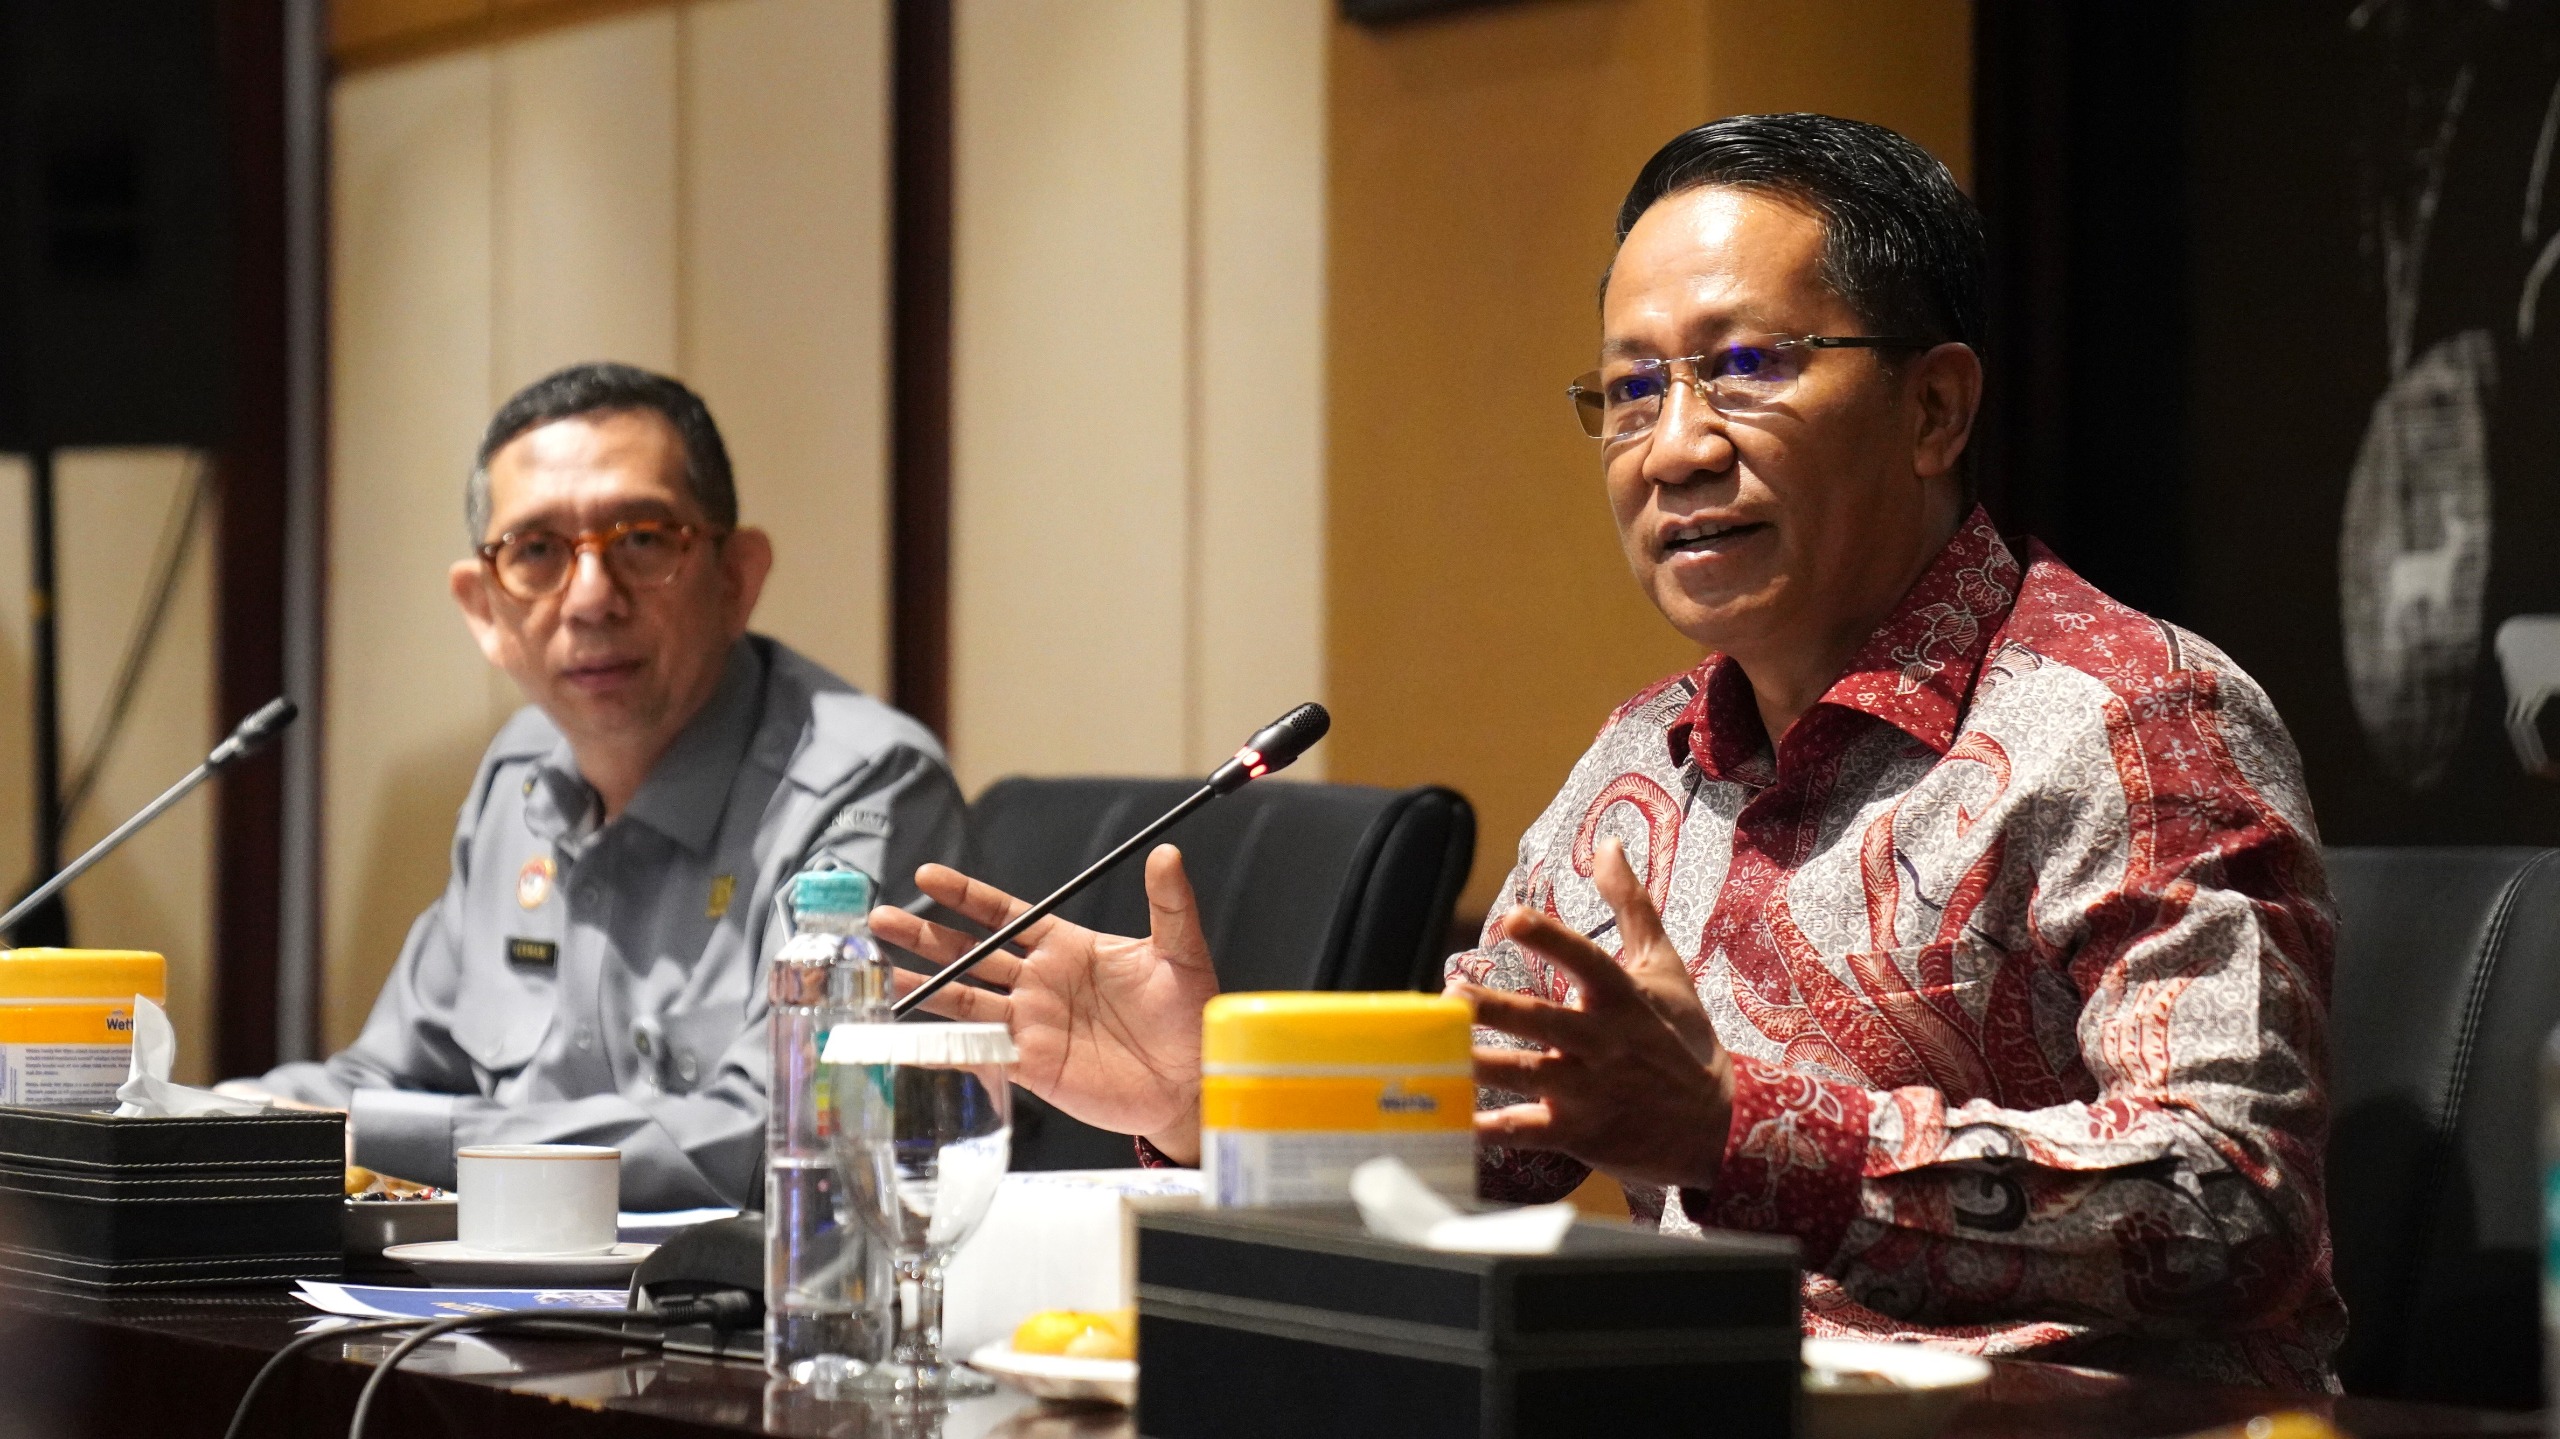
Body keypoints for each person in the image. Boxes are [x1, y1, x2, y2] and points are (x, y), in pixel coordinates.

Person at [873, 115, 2343, 1389]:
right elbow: (1478, 1129)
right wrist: (1217, 1105)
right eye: (1630, 390)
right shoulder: (1650, 756)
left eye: (1748, 365)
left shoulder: (2129, 717)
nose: (1675, 446)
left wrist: (1738, 1131)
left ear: (1934, 407)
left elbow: (2236, 1195)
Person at [233, 362, 964, 1210]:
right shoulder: (518, 775)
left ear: (737, 578)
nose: (590, 598)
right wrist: (207, 1119)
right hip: (491, 1284)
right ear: (484, 610)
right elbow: (387, 1075)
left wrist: (400, 1138)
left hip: (749, 1293)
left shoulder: (864, 789)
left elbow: (788, 1134)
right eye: (537, 551)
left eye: (643, 540)